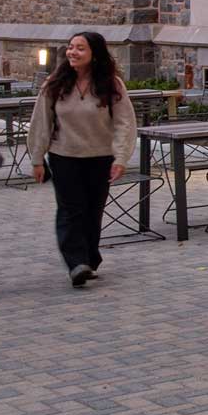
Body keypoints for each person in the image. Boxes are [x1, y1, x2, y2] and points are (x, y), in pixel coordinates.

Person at [26, 31, 137, 289]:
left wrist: (121, 157)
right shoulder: (55, 84)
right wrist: (37, 158)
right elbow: (41, 122)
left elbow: (125, 123)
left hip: (99, 158)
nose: (72, 52)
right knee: (70, 210)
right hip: (64, 156)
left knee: (92, 211)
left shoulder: (112, 85)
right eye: (70, 47)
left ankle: (89, 259)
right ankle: (76, 263)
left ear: (94, 54)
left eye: (80, 48)